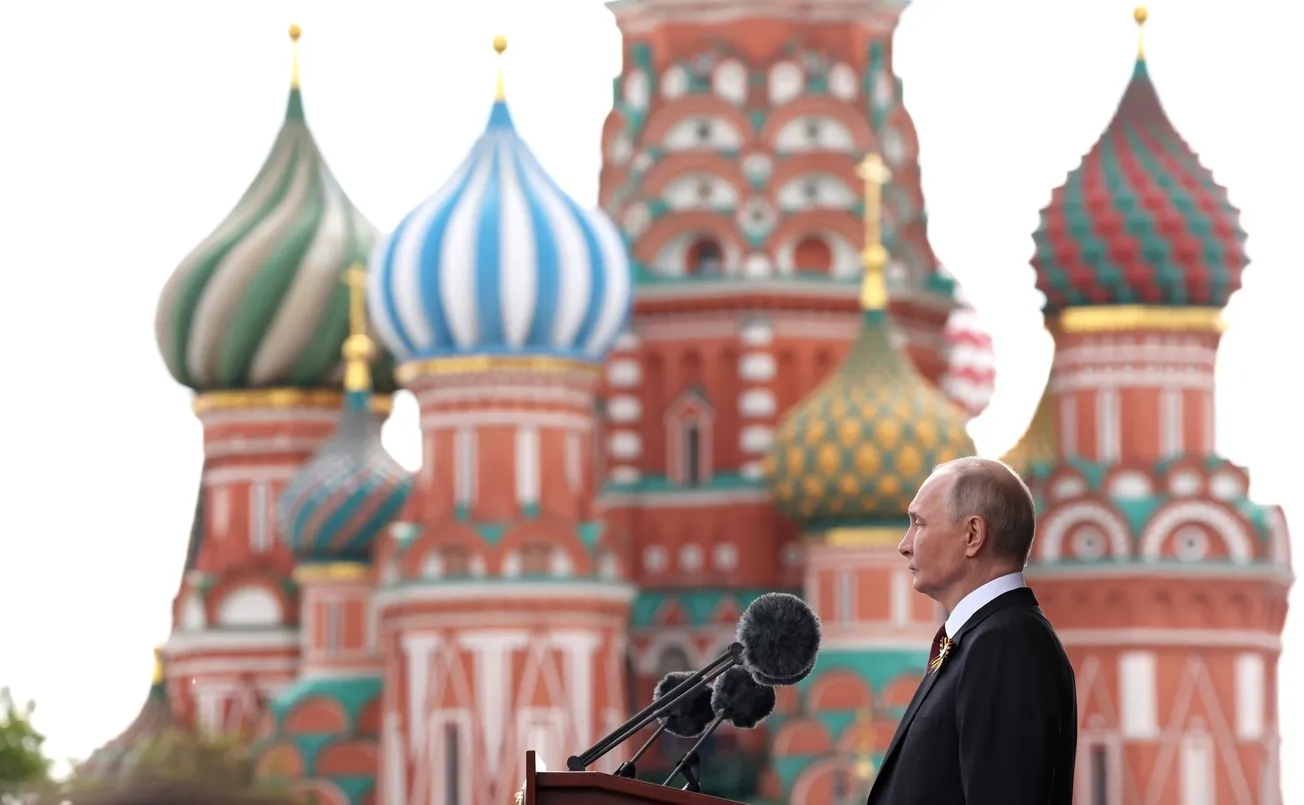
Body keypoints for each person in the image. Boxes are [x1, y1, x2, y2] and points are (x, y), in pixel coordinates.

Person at [866, 457, 1077, 805]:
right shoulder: (980, 640)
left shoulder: (1005, 645)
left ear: (973, 535)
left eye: (919, 523)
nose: (905, 544)